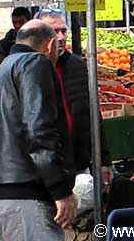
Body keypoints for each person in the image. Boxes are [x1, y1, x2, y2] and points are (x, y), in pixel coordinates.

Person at [0, 20, 77, 241]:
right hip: (26, 198)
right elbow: (39, 131)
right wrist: (61, 190)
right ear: (50, 45)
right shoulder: (35, 63)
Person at [34, 11, 94, 174]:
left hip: (78, 160)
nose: (60, 37)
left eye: (63, 31)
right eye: (54, 31)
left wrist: (103, 160)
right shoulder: (30, 69)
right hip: (45, 165)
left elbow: (92, 112)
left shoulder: (77, 65)